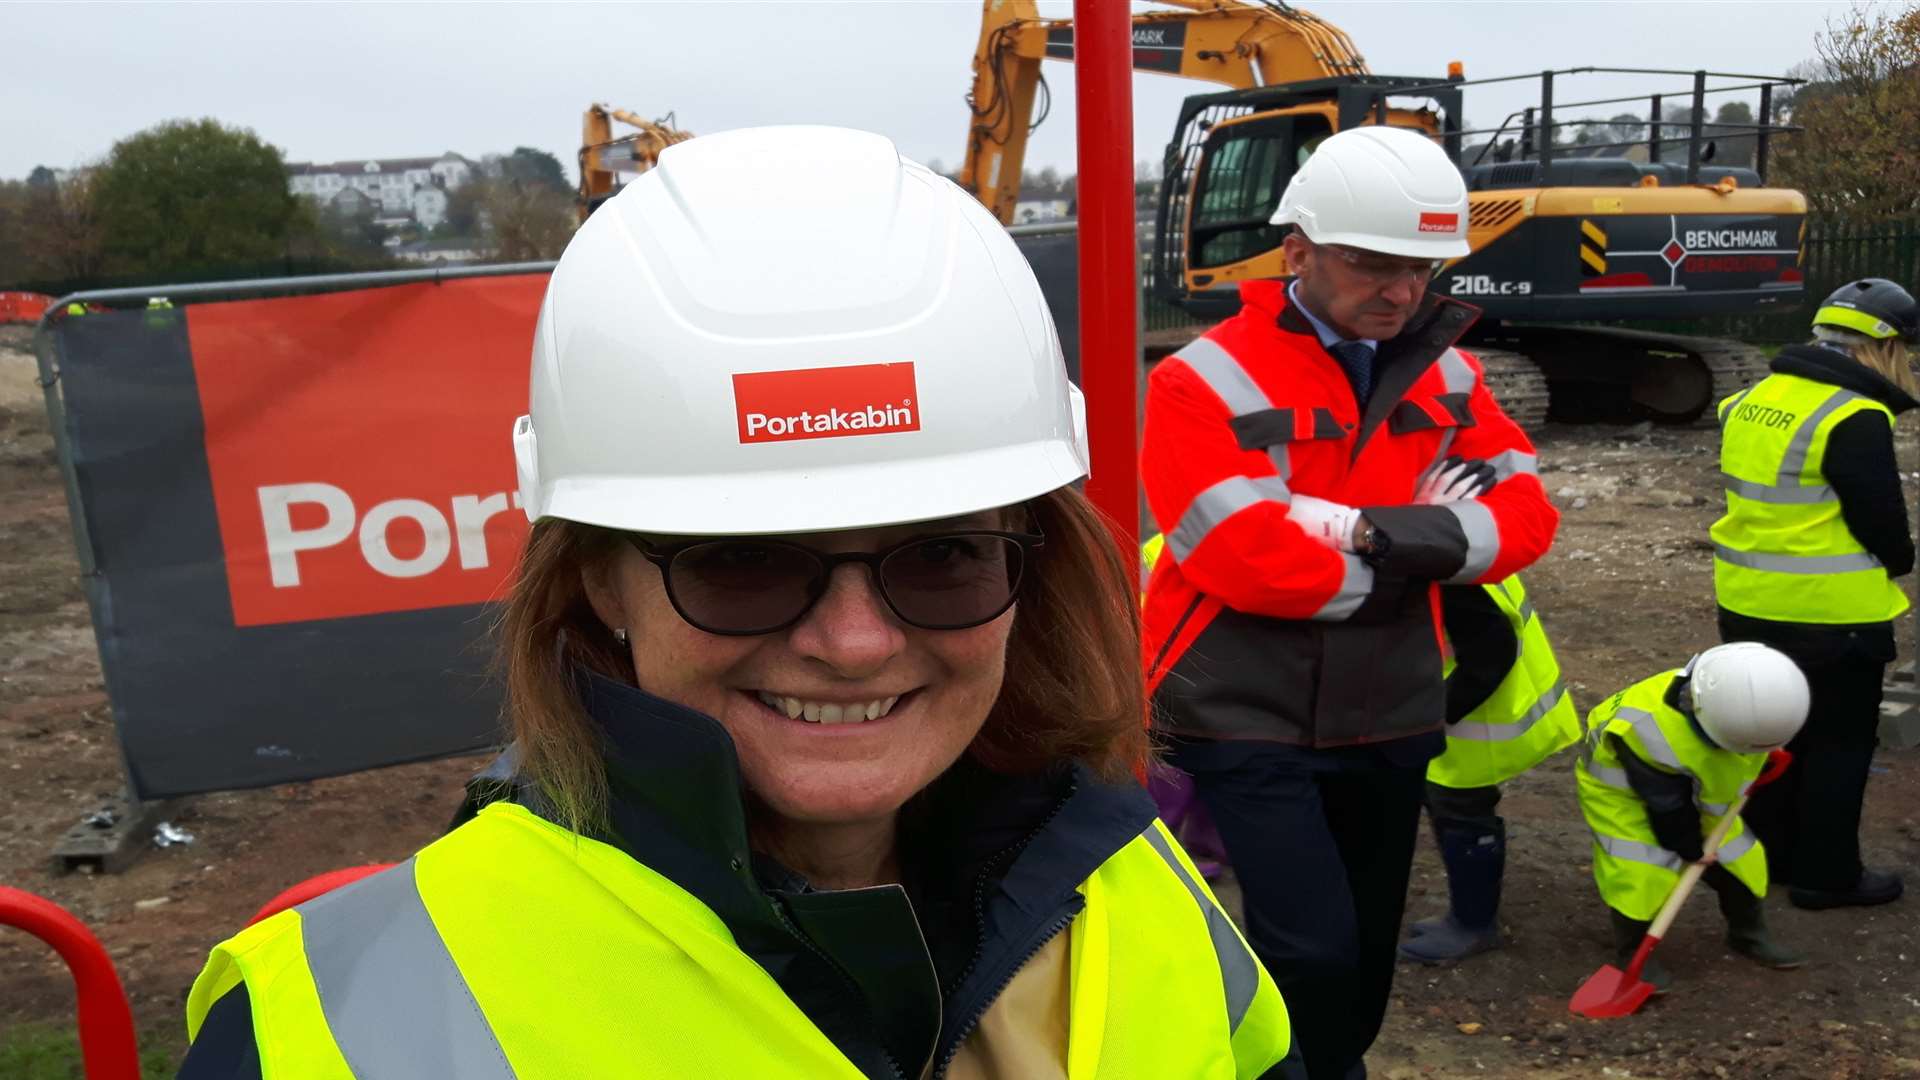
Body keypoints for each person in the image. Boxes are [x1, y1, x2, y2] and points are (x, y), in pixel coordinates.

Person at [177, 127, 1295, 1079]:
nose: (856, 643)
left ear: (1030, 574)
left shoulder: (1142, 890)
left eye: (945, 556)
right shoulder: (329, 1029)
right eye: (744, 564)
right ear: (595, 580)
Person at [1139, 125, 1559, 1080]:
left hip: (1389, 707)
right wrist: (1427, 545)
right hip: (1240, 708)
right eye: (1375, 265)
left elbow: (1525, 524)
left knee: (1366, 952)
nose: (1404, 292)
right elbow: (1245, 559)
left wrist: (1362, 530)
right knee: (1308, 944)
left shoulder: (1453, 372)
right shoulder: (1201, 380)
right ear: (1299, 253)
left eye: (1421, 269)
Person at [1712, 278, 1919, 911]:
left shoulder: (1751, 399)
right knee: (1840, 744)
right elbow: (1883, 524)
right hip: (1834, 618)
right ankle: (1828, 876)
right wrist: (1902, 560)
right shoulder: (1853, 414)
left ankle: (1772, 859)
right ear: (1883, 347)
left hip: (1747, 603)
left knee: (1775, 737)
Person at [1575, 643, 1811, 989]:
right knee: (1640, 873)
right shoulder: (1647, 729)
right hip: (1625, 796)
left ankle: (1747, 932)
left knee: (1741, 860)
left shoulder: (1748, 701)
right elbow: (1668, 807)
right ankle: (1633, 955)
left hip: (1702, 787)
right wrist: (1691, 849)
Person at [1398, 575, 1580, 964]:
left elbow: (1491, 650)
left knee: (1462, 811)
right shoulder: (1445, 538)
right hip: (1461, 707)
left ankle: (1474, 924)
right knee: (1447, 804)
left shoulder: (1438, 567)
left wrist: (1432, 715)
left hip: (1474, 718)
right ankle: (1469, 918)